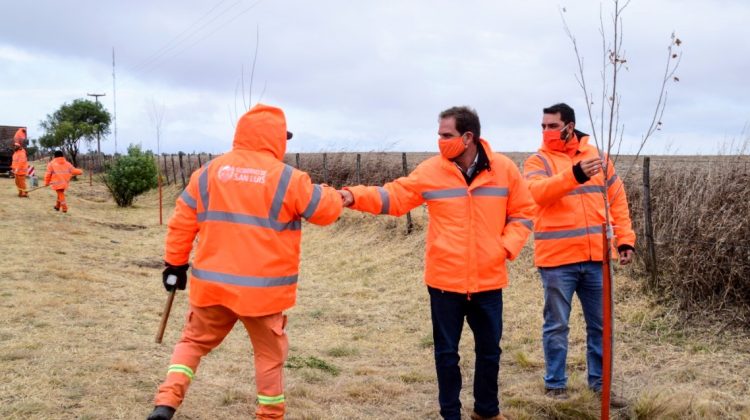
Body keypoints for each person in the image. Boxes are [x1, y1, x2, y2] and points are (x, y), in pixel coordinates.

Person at [147, 104, 343, 420]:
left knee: (192, 344)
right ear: (277, 139)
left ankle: (166, 402)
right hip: (262, 295)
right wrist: (338, 195)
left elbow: (182, 221)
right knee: (269, 357)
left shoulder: (208, 172)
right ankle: (269, 415)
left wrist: (175, 265)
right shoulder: (289, 179)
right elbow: (326, 211)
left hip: (211, 288)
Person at [338, 106, 535, 420]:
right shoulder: (431, 170)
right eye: (440, 134)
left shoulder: (505, 169)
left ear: (468, 137)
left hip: (489, 280)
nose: (440, 140)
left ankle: (486, 411)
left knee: (490, 352)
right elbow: (394, 196)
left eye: (446, 135)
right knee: (446, 355)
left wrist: (503, 248)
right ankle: (450, 414)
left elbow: (524, 213)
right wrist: (352, 196)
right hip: (445, 281)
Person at [522, 103, 635, 404]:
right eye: (543, 126)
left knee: (601, 326)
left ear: (570, 126)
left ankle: (601, 387)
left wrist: (625, 240)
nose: (546, 132)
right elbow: (537, 194)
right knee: (557, 325)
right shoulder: (537, 161)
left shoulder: (598, 158)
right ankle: (556, 386)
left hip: (597, 258)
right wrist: (574, 174)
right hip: (557, 260)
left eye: (552, 126)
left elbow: (618, 201)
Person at [11, 128, 29, 197]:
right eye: (14, 146)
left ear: (18, 147)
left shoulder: (21, 153)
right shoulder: (16, 153)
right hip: (16, 171)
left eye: (15, 146)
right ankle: (21, 192)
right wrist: (12, 168)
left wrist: (17, 169)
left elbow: (21, 163)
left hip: (21, 171)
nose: (14, 147)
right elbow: (14, 162)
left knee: (21, 183)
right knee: (17, 182)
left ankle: (24, 193)